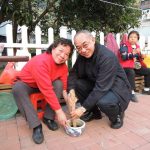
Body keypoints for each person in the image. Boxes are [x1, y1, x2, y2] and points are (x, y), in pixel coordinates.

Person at [12, 38, 74, 144]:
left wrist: (70, 109)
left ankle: (48, 118)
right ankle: (36, 126)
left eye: (67, 54)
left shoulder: (63, 67)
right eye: (61, 50)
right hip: (28, 84)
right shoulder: (41, 61)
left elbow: (64, 88)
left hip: (45, 84)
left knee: (58, 84)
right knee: (17, 88)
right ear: (53, 48)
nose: (63, 56)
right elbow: (47, 90)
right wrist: (59, 112)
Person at [67, 30, 132, 129]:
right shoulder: (82, 56)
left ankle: (117, 115)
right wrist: (71, 90)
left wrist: (82, 109)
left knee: (103, 101)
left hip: (116, 88)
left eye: (85, 45)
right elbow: (73, 73)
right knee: (78, 84)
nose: (83, 50)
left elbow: (101, 88)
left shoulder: (107, 57)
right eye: (79, 48)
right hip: (100, 84)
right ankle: (94, 113)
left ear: (93, 40)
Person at [119, 31, 150, 102]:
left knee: (148, 70)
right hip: (126, 66)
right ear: (128, 38)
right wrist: (134, 52)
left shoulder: (137, 46)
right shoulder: (123, 46)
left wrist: (142, 56)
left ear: (137, 39)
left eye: (135, 37)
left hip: (135, 65)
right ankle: (131, 93)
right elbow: (124, 57)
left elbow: (138, 58)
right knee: (131, 72)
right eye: (131, 37)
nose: (133, 39)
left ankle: (146, 89)